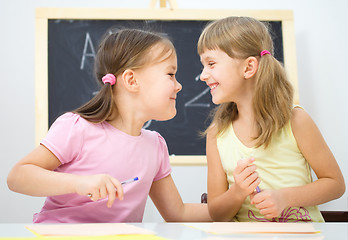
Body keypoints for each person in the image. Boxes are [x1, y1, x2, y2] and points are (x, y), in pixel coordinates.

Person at [7, 28, 211, 223]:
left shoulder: (155, 145)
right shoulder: (77, 128)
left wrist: (235, 203)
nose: (179, 85)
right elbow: (18, 176)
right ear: (131, 80)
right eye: (170, 74)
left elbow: (178, 213)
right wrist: (79, 183)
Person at [197, 16, 345, 222]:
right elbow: (216, 214)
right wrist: (238, 191)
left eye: (211, 63)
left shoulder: (296, 120)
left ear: (248, 67)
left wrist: (285, 197)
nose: (203, 75)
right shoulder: (216, 134)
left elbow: (335, 184)